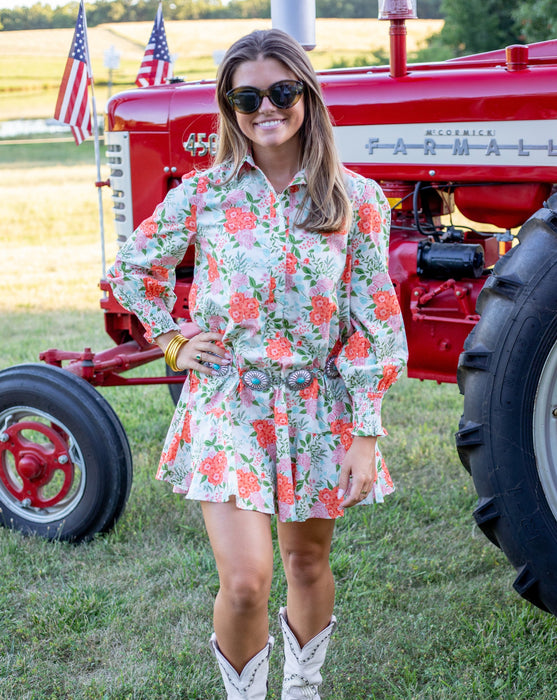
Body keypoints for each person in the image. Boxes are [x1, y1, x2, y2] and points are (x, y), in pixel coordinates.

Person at [107, 28, 408, 700]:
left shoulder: (353, 199)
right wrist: (173, 338)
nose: (265, 107)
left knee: (305, 562)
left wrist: (365, 432)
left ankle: (302, 688)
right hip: (228, 402)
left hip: (314, 404)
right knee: (245, 581)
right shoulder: (206, 192)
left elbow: (373, 318)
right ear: (229, 107)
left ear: (306, 94)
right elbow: (131, 270)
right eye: (246, 97)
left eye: (280, 91)